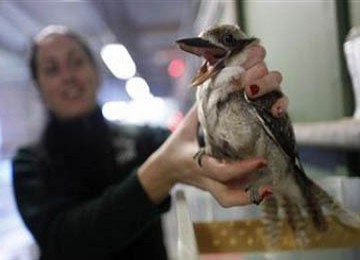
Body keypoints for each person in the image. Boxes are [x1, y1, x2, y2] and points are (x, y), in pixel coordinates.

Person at [12, 25, 285, 259]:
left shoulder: (142, 139)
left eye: (76, 62)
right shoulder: (30, 164)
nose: (68, 75)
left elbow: (208, 146)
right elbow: (66, 243)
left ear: (95, 72)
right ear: (38, 86)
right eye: (52, 69)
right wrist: (159, 174)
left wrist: (247, 105)